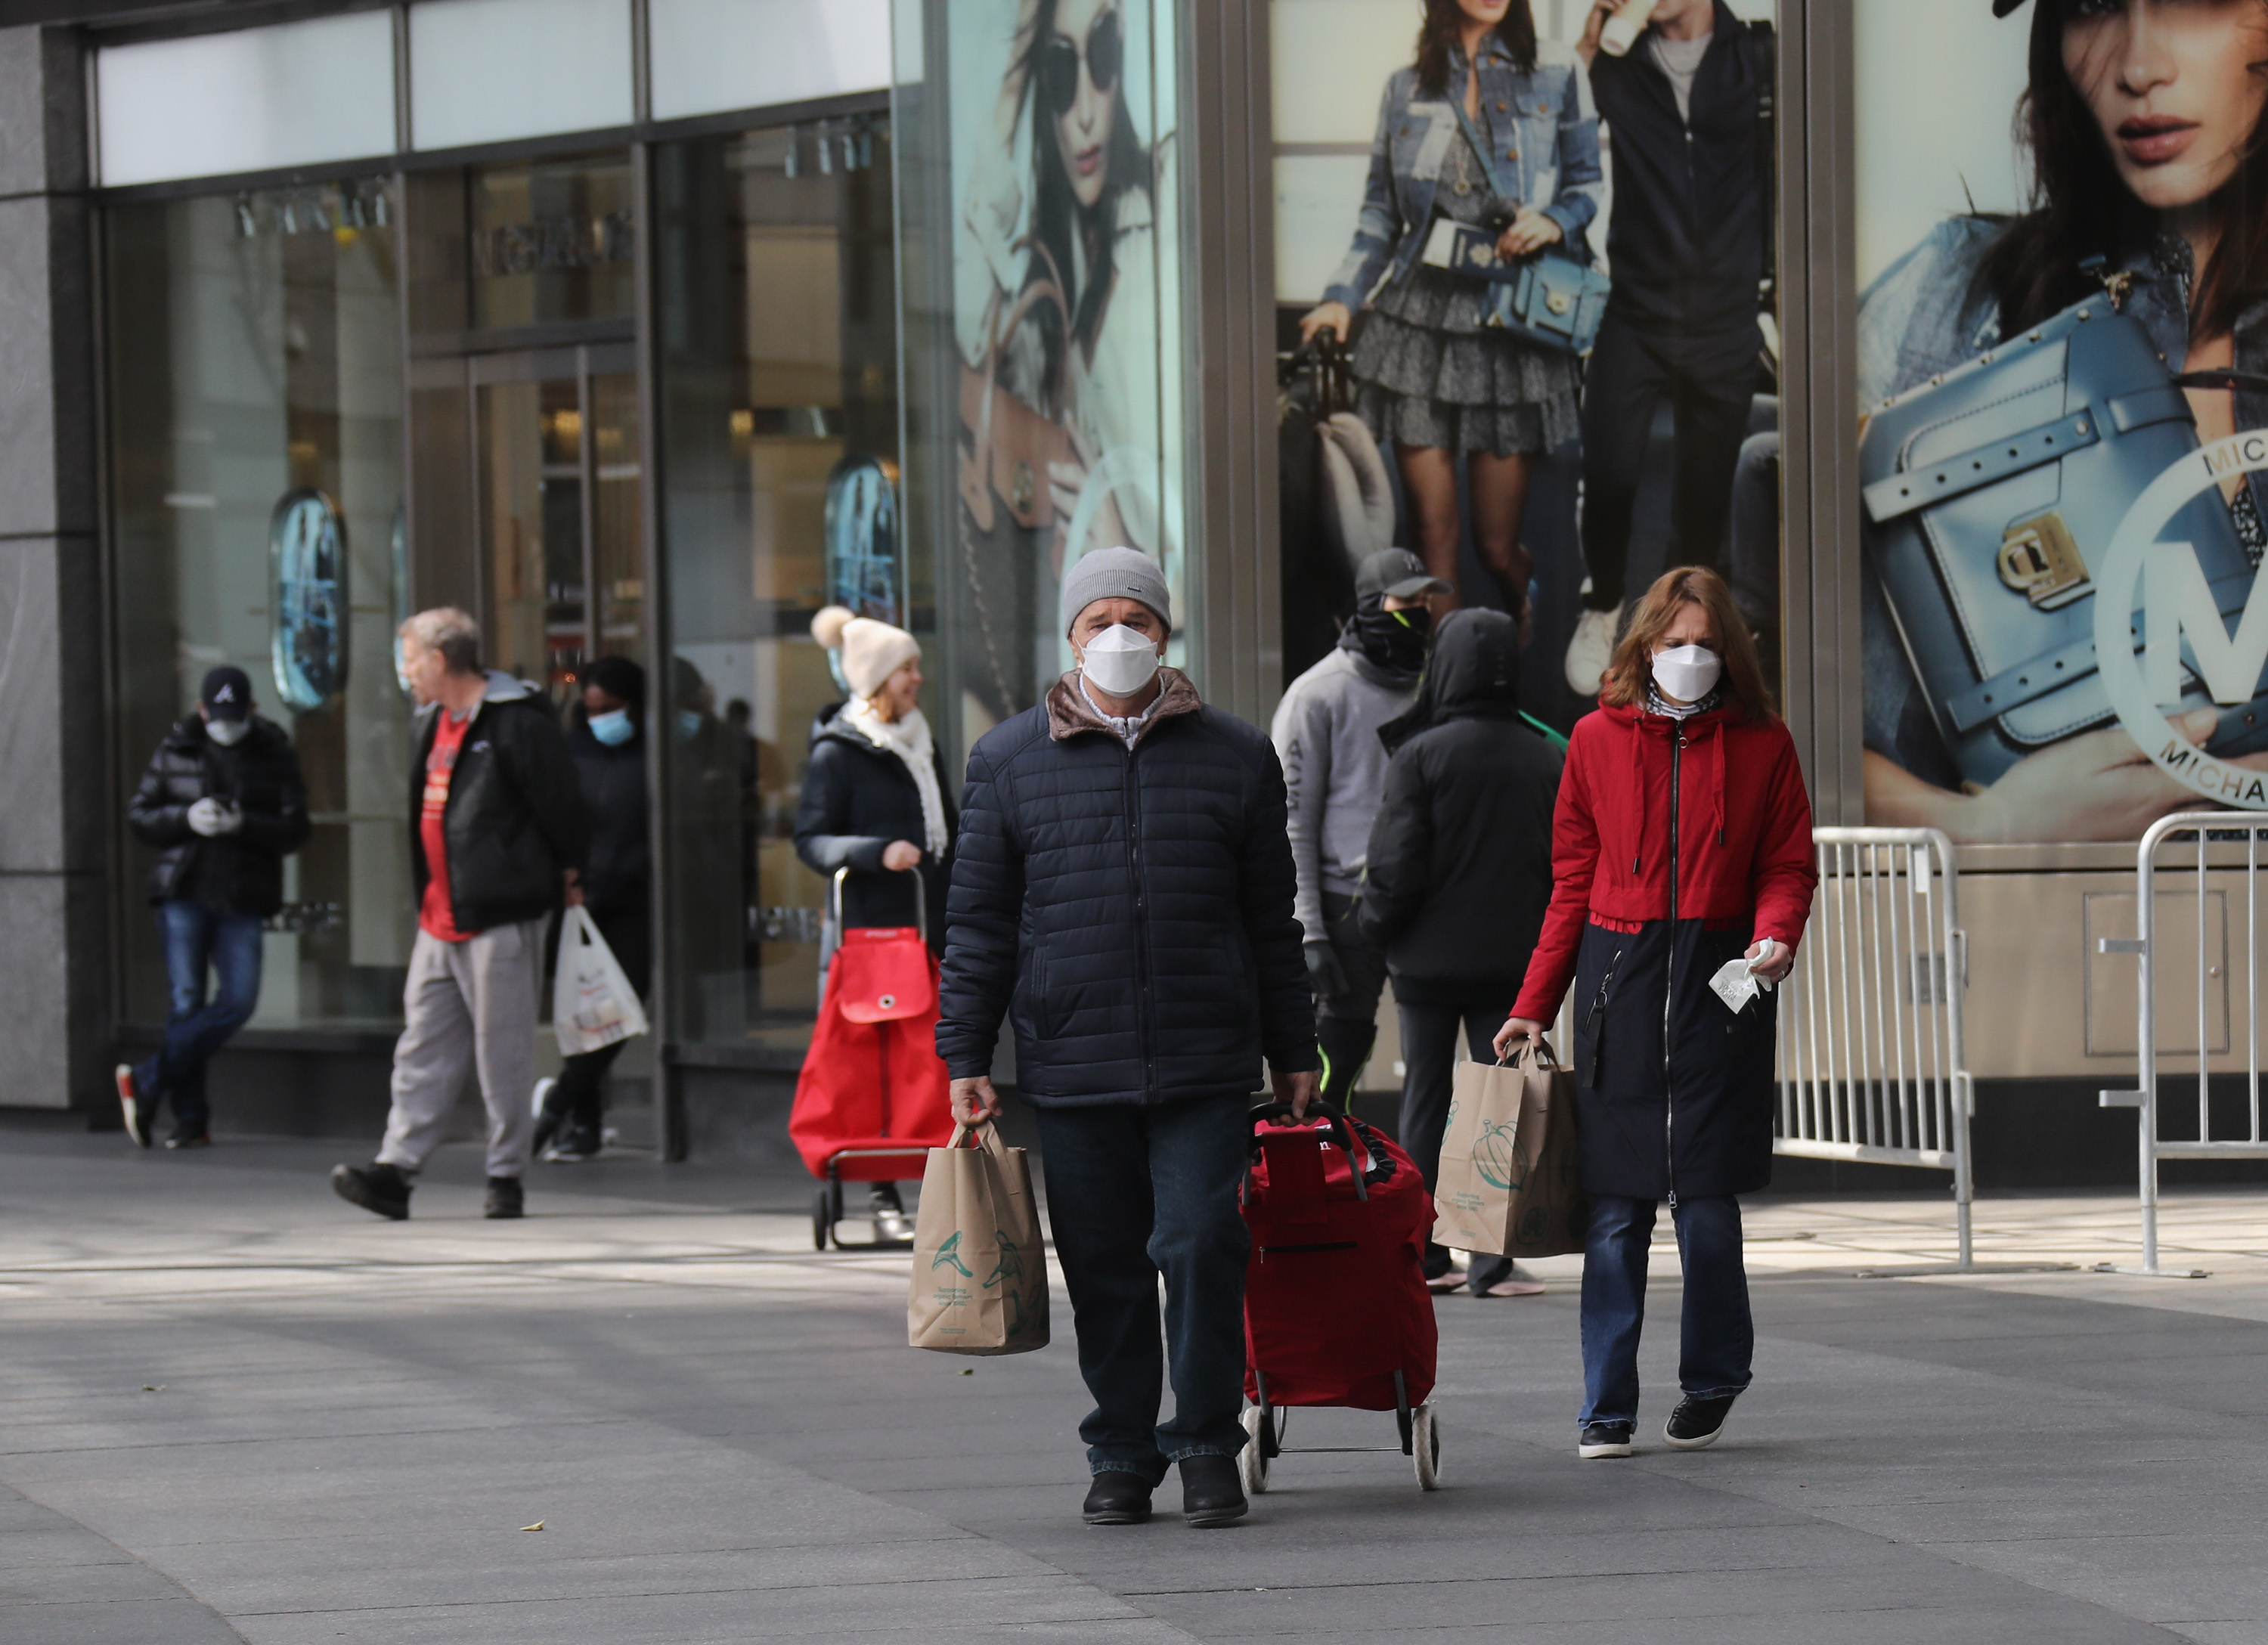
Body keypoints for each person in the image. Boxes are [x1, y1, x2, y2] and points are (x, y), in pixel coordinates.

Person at [939, 547, 1320, 1531]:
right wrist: (965, 1056)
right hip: (1072, 1061)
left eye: (1137, 620)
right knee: (1104, 1265)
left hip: (1204, 1060)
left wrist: (1295, 1049)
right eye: (1098, 620)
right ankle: (1120, 1450)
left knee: (1200, 1243)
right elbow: (978, 920)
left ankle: (1203, 1446)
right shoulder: (1009, 758)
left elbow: (1272, 920)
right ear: (1069, 636)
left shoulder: (1235, 755)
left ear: (1165, 632)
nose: (1118, 637)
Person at [1858, 0, 2268, 843]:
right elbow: (1744, 708)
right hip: (2015, 956)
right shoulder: (1948, 306)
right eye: (2091, 6)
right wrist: (1987, 832)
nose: (2139, 65)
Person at [1494, 566, 1815, 1459]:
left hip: (1723, 991)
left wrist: (1776, 935)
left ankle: (1714, 1377)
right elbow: (1569, 886)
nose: (1689, 657)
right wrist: (1533, 1006)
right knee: (1614, 1214)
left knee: (1708, 1211)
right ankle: (1606, 1405)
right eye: (1674, 642)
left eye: (1706, 643)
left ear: (1731, 652)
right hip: (1618, 992)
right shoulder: (1594, 740)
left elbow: (1787, 865)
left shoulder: (1766, 744)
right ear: (1642, 648)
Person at [1300, 0, 1603, 621]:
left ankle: (1519, 586)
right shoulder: (1404, 89)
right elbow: (1380, 216)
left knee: (1493, 547)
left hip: (1508, 325)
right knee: (1434, 538)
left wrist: (1551, 221)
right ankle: (1455, 698)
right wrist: (1341, 296)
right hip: (1421, 328)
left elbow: (1585, 184)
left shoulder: (1558, 70)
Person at [333, 609, 589, 1222]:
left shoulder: (517, 722)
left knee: (501, 1052)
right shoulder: (434, 722)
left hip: (500, 911)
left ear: (442, 661)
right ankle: (395, 1171)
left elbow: (562, 806)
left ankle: (506, 1176)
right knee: (421, 1045)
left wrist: (570, 873)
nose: (407, 673)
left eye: (412, 660)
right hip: (438, 914)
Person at [1563, 0, 1774, 695]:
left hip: (1725, 319)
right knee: (1613, 472)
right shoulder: (1616, 70)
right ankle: (1603, 603)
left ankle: (1679, 637)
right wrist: (1590, 50)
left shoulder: (1757, 57)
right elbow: (1554, 145)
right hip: (1637, 311)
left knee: (1700, 506)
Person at [1360, 609, 1561, 1297]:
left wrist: (1376, 930)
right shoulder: (1546, 756)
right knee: (1502, 1101)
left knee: (1425, 1096)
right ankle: (1491, 1260)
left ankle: (1423, 1255)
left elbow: (1395, 863)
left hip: (1425, 961)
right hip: (1513, 962)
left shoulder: (1420, 754)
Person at [959, 0, 1177, 575]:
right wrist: (1012, 84)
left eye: (1103, 58)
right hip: (1122, 624)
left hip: (1171, 621)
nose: (1083, 113)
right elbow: (963, 319)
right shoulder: (1062, 269)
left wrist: (1125, 546)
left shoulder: (1170, 203)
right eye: (1058, 73)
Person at [794, 607, 957, 1242]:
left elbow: (947, 828)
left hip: (930, 928)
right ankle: (883, 1193)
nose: (918, 678)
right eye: (907, 669)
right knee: (877, 1069)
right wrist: (874, 852)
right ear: (878, 677)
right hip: (875, 938)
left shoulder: (923, 742)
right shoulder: (838, 752)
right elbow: (810, 840)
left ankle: (942, 1189)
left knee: (929, 1067)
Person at [1271, 547, 1449, 1112]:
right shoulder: (1316, 695)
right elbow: (1291, 822)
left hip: (1428, 905)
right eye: (1407, 601)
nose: (1420, 611)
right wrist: (1309, 931)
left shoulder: (1437, 686)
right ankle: (1326, 1172)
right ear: (1372, 605)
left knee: (1434, 1062)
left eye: (1427, 601)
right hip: (1347, 906)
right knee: (1337, 1061)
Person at [116, 666, 310, 1149]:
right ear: (203, 711)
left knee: (238, 1001)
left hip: (242, 898)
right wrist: (186, 817)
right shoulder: (178, 745)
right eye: (217, 714)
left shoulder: (274, 752)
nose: (226, 723)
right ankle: (190, 1120)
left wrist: (244, 824)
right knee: (186, 1003)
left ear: (253, 710)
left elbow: (295, 828)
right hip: (184, 893)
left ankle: (147, 1081)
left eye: (236, 714)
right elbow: (140, 815)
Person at [533, 655, 651, 1164]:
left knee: (623, 1005)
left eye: (614, 707)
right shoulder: (571, 750)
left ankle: (559, 1103)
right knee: (586, 1010)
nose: (602, 716)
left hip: (632, 895)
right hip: (578, 898)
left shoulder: (652, 752)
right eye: (595, 707)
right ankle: (584, 1120)